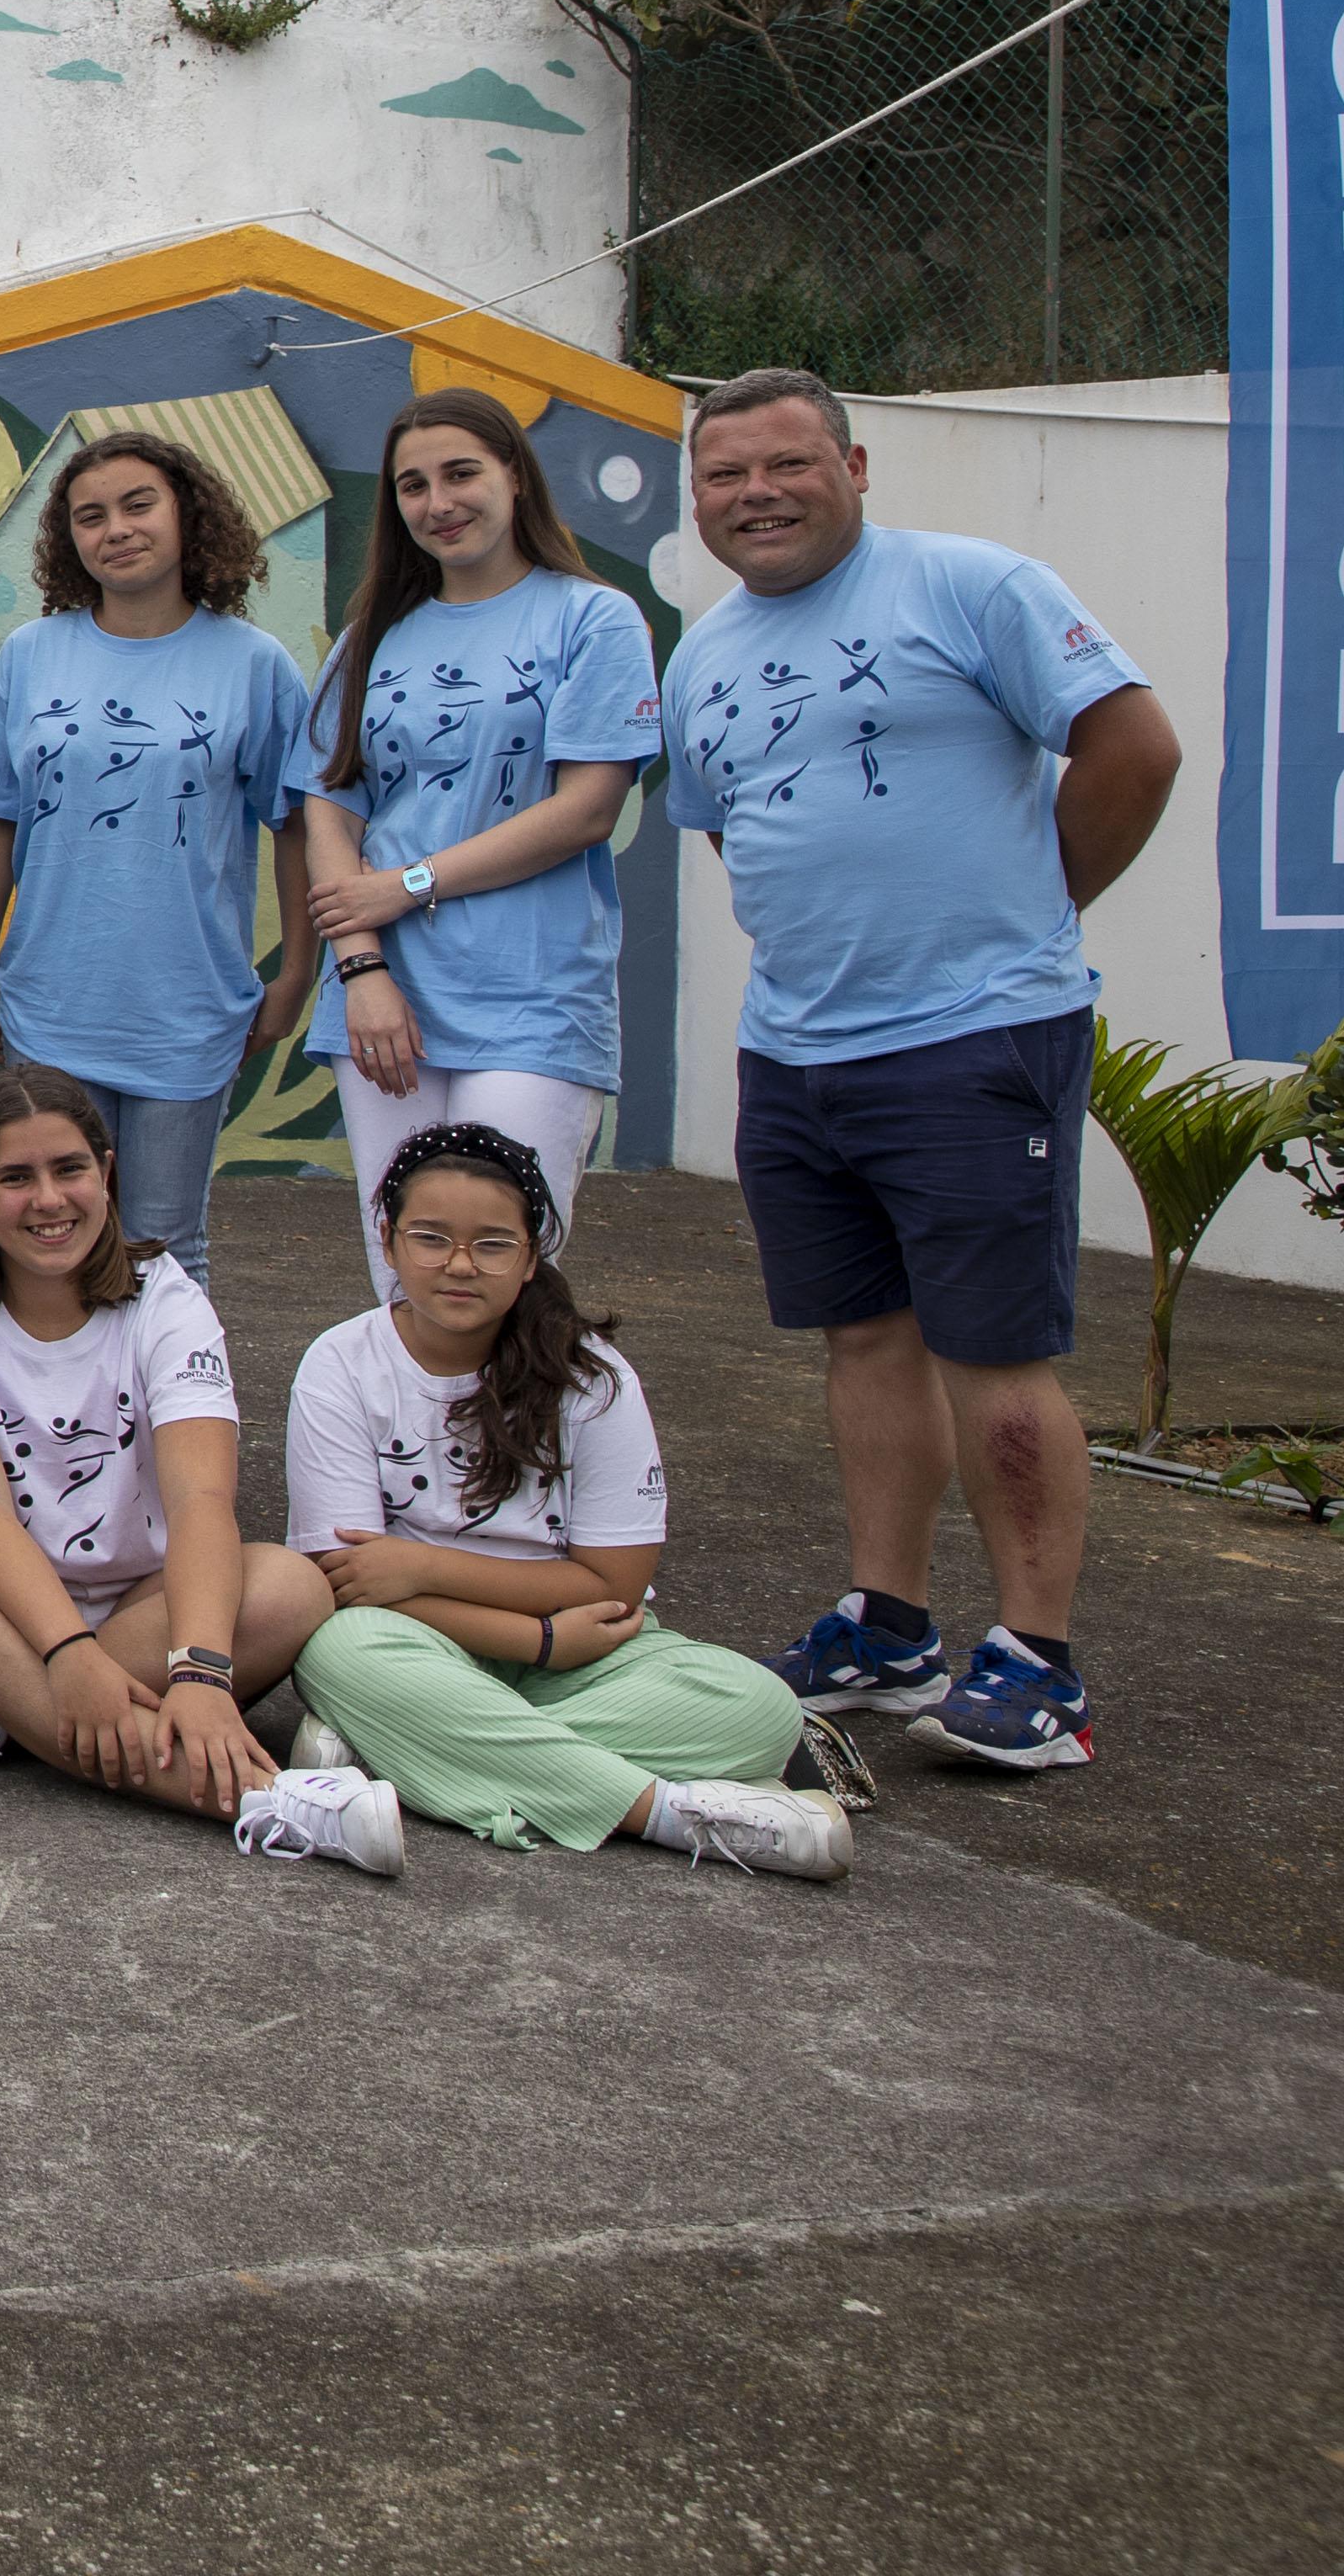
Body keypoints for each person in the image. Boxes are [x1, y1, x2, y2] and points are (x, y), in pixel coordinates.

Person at [661, 369, 1177, 1774]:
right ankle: (888, 1630)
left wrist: (1030, 919)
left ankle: (1039, 1665)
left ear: (855, 466)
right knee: (865, 1340)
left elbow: (1136, 746)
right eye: (725, 476)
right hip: (796, 1049)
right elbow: (736, 828)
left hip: (974, 1037)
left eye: (788, 464)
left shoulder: (969, 586)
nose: (757, 495)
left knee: (994, 1354)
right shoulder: (702, 656)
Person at [282, 1125, 856, 1878]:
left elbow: (614, 1585)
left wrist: (423, 1568)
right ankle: (673, 1814)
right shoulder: (341, 1362)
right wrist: (537, 1638)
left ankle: (395, 1747)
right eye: (430, 1238)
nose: (460, 1264)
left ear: (530, 1258)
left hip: (586, 1651)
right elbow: (349, 1582)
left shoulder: (592, 1377)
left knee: (760, 1709)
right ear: (388, 1242)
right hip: (415, 1639)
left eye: (493, 1244)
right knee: (339, 1649)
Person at [0, 1068, 383, 1869]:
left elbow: (203, 1496)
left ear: (106, 1173)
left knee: (294, 1586)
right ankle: (282, 1805)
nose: (49, 1200)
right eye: (15, 1177)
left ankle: (2, 1720)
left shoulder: (166, 1299)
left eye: (70, 1169)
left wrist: (202, 1673)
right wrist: (69, 1657)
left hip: (151, 1602)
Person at [295, 390, 661, 1277]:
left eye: (461, 474)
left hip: (533, 999)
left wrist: (407, 885)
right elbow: (329, 809)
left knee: (500, 1271)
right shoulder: (369, 638)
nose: (439, 503)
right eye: (413, 485)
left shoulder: (594, 618)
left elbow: (587, 809)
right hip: (384, 1001)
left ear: (516, 478)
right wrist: (363, 970)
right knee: (404, 1275)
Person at [0, 428, 317, 1293]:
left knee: (165, 1246)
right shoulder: (31, 655)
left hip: (187, 1007)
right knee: (52, 1241)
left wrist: (298, 975)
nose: (115, 529)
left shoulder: (255, 666)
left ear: (188, 514)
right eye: (90, 516)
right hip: (51, 1004)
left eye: (137, 505)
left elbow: (300, 827)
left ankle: (175, 1392)